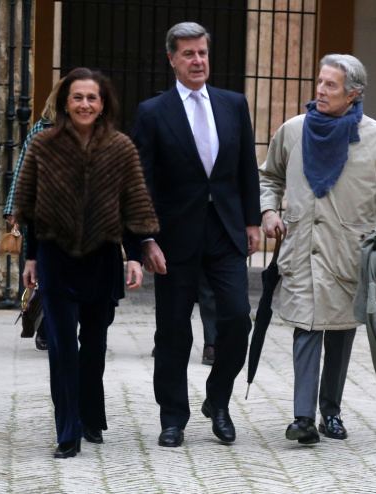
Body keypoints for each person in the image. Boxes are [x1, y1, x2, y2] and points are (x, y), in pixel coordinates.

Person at [260, 54, 376, 444]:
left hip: (349, 254)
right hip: (301, 250)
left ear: (353, 94)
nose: (320, 90)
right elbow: (270, 177)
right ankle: (303, 418)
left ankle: (330, 411)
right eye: (319, 82)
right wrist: (268, 210)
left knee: (340, 334)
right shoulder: (293, 130)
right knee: (306, 329)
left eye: (330, 85)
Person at [13, 67, 159, 458]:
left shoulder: (121, 147)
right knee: (61, 346)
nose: (84, 104)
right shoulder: (42, 144)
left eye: (92, 97)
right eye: (77, 97)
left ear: (103, 103)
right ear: (65, 102)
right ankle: (68, 430)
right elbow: (27, 206)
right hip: (55, 257)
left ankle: (92, 415)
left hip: (102, 259)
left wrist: (135, 257)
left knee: (93, 345)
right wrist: (30, 258)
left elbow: (134, 205)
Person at [131, 22, 261, 447]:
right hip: (173, 239)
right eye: (188, 54)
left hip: (224, 232)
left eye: (202, 52)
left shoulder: (233, 104)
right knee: (172, 331)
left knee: (237, 318)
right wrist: (144, 240)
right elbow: (141, 182)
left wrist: (252, 221)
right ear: (172, 59)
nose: (197, 60)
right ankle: (173, 418)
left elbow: (245, 168)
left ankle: (218, 402)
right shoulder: (152, 112)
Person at [3, 79, 63, 351]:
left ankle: (57, 327)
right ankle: (45, 327)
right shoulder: (42, 129)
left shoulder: (95, 132)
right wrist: (14, 208)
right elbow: (23, 170)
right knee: (45, 274)